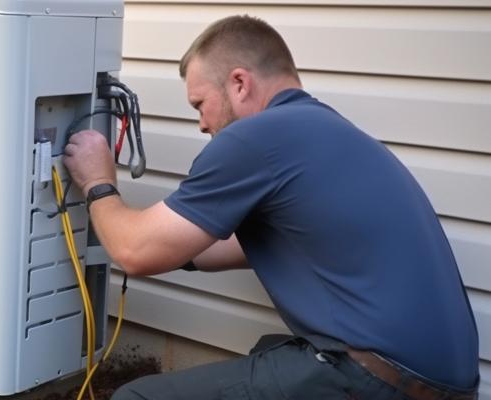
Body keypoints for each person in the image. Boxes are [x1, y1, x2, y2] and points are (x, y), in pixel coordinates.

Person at [63, 15, 479, 400]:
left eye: (199, 104)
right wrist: (173, 246)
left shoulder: (256, 138)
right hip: (447, 383)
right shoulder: (329, 131)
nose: (202, 124)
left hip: (379, 379)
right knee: (267, 351)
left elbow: (136, 253)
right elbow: (258, 247)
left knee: (135, 398)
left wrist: (98, 182)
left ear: (239, 83)